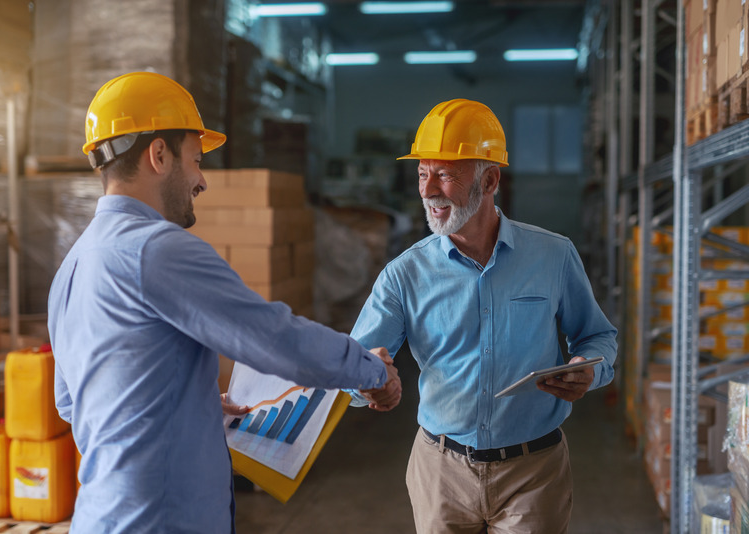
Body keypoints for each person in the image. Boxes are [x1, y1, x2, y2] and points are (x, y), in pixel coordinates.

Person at [46, 71, 402, 534]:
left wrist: (185, 403)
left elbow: (72, 402)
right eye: (195, 160)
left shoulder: (72, 267)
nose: (201, 180)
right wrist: (371, 372)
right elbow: (274, 338)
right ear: (159, 154)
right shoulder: (158, 249)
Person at [349, 99, 618, 533]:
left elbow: (597, 337)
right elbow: (355, 361)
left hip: (535, 472)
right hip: (441, 473)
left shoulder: (553, 255)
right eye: (422, 173)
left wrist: (590, 371)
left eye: (444, 175)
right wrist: (368, 382)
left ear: (490, 179)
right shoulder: (404, 274)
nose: (427, 189)